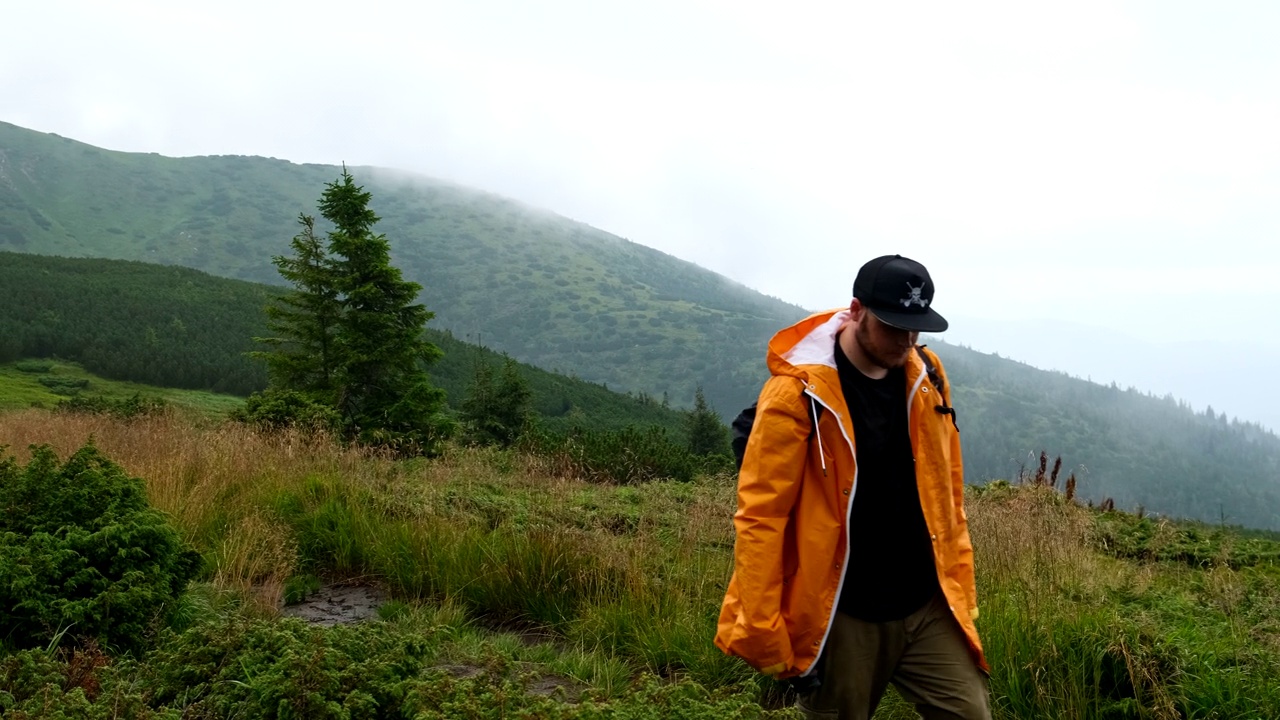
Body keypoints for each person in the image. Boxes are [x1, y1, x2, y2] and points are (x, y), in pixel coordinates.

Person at [715, 255, 990, 720]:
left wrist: (960, 583)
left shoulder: (927, 375)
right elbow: (761, 516)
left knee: (971, 713)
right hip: (845, 613)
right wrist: (764, 627)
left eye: (915, 328)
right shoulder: (799, 394)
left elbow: (948, 493)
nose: (907, 341)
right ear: (857, 310)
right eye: (893, 326)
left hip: (925, 604)